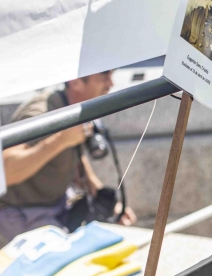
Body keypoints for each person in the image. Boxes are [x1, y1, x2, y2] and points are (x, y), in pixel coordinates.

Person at [0, 71, 136, 246]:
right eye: (104, 77)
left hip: (59, 203)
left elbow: (75, 156)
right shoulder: (40, 113)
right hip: (22, 212)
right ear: (76, 81)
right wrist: (60, 140)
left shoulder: (74, 104)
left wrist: (106, 202)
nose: (111, 84)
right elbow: (6, 170)